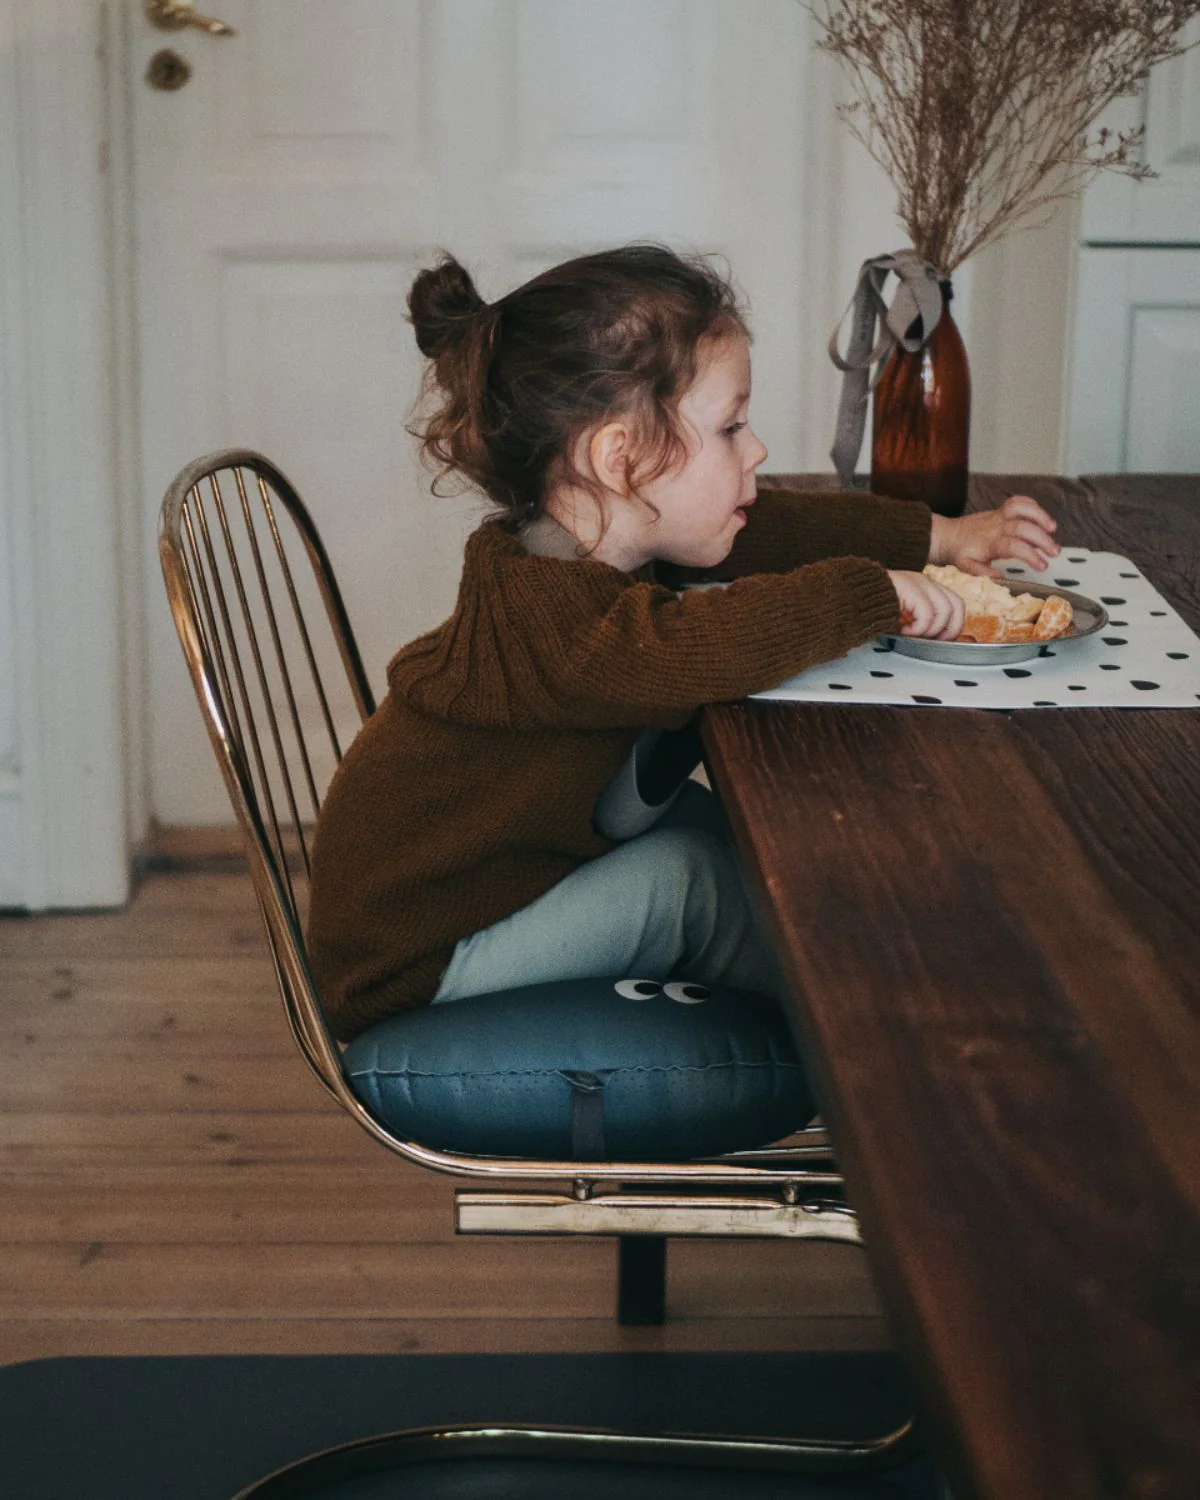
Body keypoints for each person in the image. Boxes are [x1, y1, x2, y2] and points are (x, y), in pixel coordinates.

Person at [307, 245, 1060, 1043]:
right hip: (413, 963)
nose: (756, 450)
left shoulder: (605, 544)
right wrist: (867, 592)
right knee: (690, 883)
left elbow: (767, 527)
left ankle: (886, 970)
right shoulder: (556, 621)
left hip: (507, 876)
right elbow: (682, 646)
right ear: (620, 458)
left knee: (730, 828)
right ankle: (876, 1038)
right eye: (730, 428)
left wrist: (938, 536)